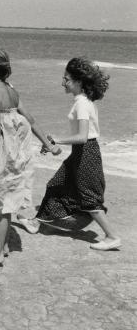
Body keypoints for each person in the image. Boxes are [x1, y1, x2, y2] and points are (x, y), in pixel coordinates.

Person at [0, 47, 61, 268]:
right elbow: (31, 119)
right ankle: (3, 244)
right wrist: (48, 145)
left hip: (1, 154)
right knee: (6, 201)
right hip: (16, 154)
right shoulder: (11, 90)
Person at [33, 57, 121, 251]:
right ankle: (45, 223)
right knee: (56, 184)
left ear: (79, 82)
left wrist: (55, 140)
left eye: (66, 79)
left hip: (86, 152)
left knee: (89, 198)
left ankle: (112, 236)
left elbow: (82, 137)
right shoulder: (83, 101)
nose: (62, 83)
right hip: (81, 152)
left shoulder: (82, 103)